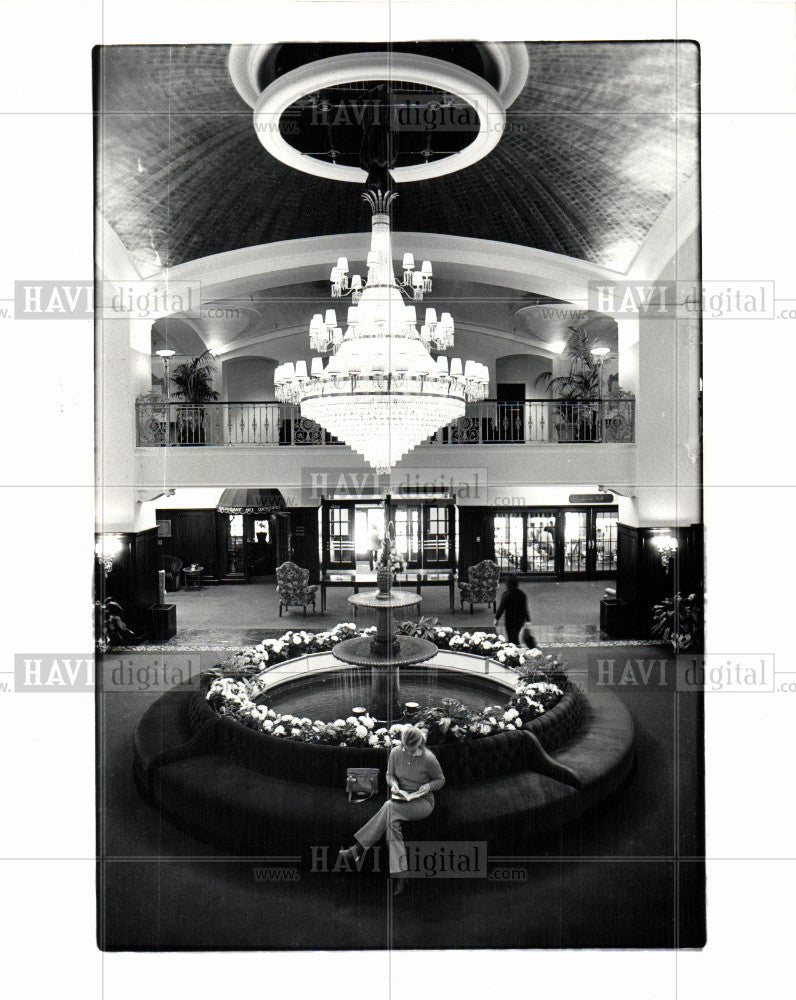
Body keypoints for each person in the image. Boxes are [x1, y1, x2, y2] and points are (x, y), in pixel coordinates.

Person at [338, 726, 445, 896]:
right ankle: (401, 875)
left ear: (420, 744)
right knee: (392, 826)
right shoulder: (396, 752)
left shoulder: (429, 759)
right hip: (401, 799)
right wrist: (393, 784)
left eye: (412, 749)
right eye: (405, 748)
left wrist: (427, 787)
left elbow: (440, 780)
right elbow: (389, 775)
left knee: (389, 806)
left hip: (422, 802)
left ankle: (358, 849)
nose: (407, 752)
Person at [494, 574, 531, 646]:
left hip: (510, 620)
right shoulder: (522, 594)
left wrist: (496, 619)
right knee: (517, 635)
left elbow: (501, 608)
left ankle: (513, 651)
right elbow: (525, 608)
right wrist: (528, 620)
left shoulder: (506, 595)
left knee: (511, 637)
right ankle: (517, 647)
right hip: (520, 619)